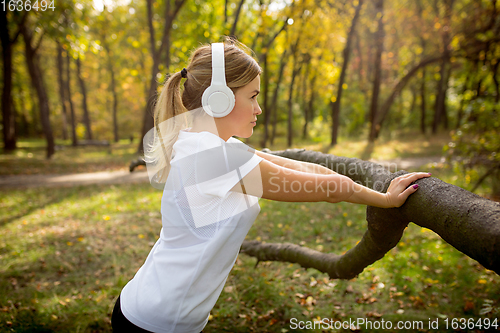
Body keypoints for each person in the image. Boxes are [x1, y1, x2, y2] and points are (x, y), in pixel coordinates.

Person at [111, 39, 430, 333]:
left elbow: (296, 167)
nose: (258, 109)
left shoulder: (202, 145)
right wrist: (385, 200)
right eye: (252, 97)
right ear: (218, 99)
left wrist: (362, 182)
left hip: (153, 311)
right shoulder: (215, 157)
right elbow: (331, 189)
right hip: (156, 323)